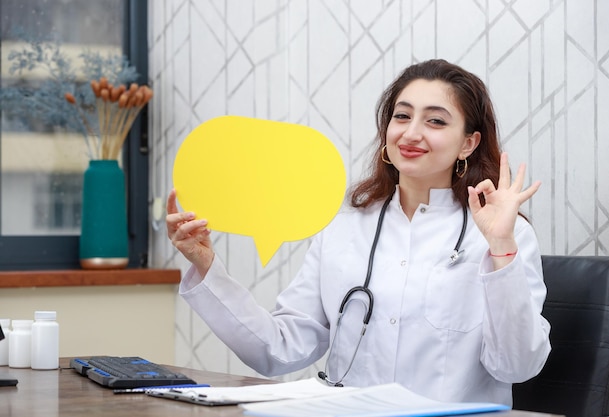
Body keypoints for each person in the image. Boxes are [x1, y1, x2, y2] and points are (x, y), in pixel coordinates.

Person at [166, 59, 551, 406]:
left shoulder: (505, 234)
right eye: (402, 117)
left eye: (435, 121)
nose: (411, 133)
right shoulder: (345, 227)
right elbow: (279, 350)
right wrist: (206, 265)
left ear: (469, 142)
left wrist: (501, 248)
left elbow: (516, 367)